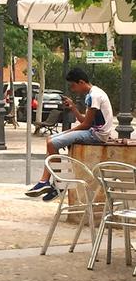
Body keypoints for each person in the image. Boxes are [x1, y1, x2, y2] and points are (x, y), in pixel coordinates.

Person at [25, 67, 113, 201]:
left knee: (53, 142)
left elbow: (86, 125)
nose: (73, 89)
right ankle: (46, 182)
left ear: (81, 82)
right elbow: (84, 121)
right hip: (93, 131)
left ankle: (57, 184)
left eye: (73, 86)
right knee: (50, 139)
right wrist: (73, 107)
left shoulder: (94, 96)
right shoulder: (92, 94)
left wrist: (68, 132)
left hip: (97, 135)